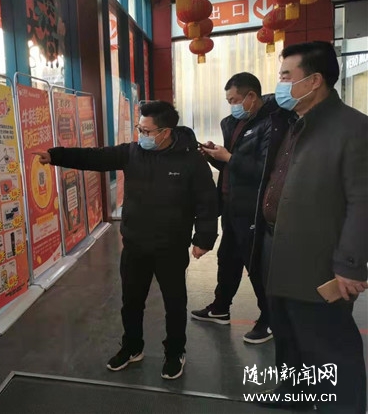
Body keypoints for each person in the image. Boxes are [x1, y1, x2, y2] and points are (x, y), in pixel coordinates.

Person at [35, 101, 218, 380]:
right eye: (139, 129)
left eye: (146, 131)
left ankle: (174, 352)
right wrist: (55, 155)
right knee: (131, 302)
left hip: (170, 247)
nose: (141, 135)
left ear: (166, 132)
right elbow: (94, 157)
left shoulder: (191, 160)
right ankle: (132, 347)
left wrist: (203, 238)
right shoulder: (132, 152)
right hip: (135, 245)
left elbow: (207, 201)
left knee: (174, 303)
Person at [250, 41, 367, 413]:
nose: (280, 84)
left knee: (329, 346)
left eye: (287, 76)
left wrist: (350, 264)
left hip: (319, 261)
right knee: (287, 334)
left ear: (314, 80)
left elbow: (362, 201)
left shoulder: (353, 128)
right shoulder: (295, 123)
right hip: (277, 250)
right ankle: (295, 395)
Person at [191, 72, 277, 344]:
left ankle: (270, 318)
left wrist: (228, 157)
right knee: (227, 258)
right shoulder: (233, 123)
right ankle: (220, 307)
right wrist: (215, 156)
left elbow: (265, 170)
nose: (232, 106)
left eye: (234, 100)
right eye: (228, 101)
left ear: (251, 96)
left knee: (255, 263)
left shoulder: (272, 123)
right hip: (230, 203)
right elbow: (233, 165)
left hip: (253, 206)